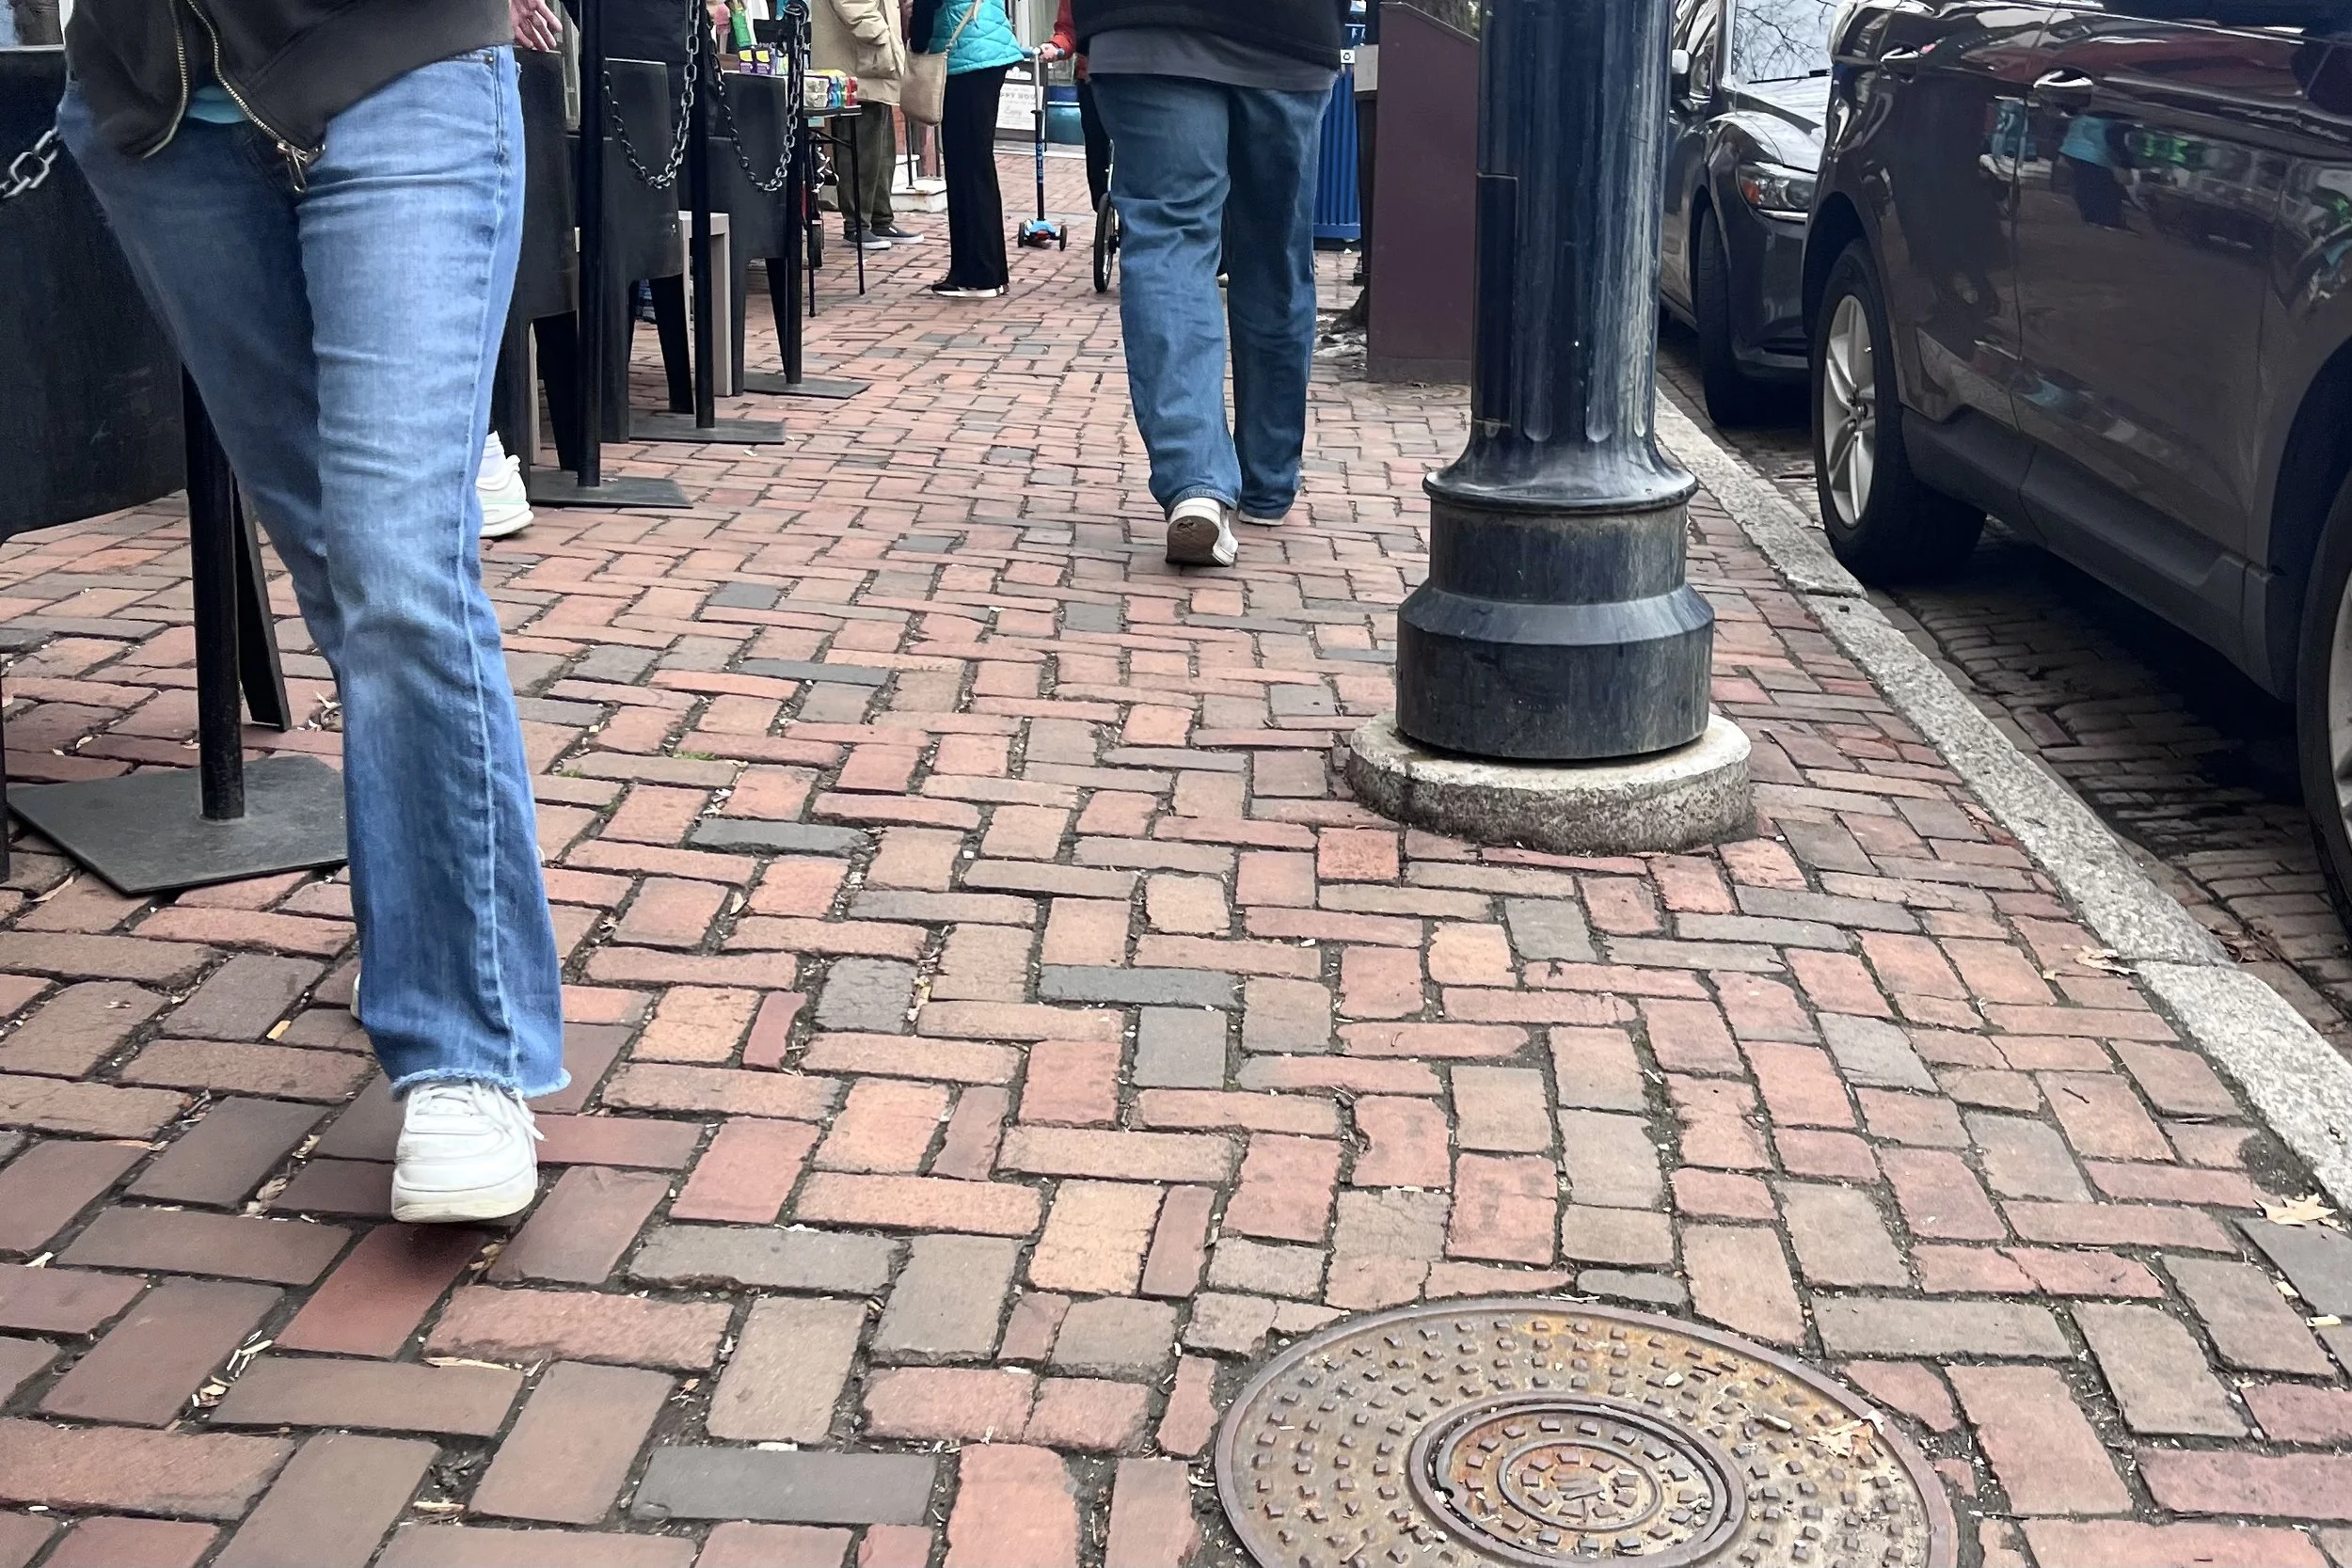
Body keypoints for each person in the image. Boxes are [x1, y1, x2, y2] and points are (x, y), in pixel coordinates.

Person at [59, 0, 569, 1223]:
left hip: (399, 56)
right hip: (159, 101)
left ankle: (464, 1043)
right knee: (349, 582)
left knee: (398, 570)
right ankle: (431, 935)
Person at [1074, 0, 1344, 567]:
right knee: (1274, 257)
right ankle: (1267, 481)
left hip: (1144, 32)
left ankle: (1195, 482)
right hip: (1285, 34)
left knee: (1169, 243)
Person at [910, 0, 1025, 297]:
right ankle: (989, 270)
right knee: (976, 165)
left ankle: (978, 274)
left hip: (966, 57)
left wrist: (918, 44)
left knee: (966, 168)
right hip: (986, 51)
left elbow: (927, 6)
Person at [816, 0, 921, 247]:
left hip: (871, 56)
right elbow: (852, 5)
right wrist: (881, 35)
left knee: (880, 145)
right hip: (858, 55)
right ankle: (857, 225)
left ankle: (879, 219)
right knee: (860, 144)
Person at [1045, 0, 1109, 214]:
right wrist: (1056, 47)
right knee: (1096, 153)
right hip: (1091, 76)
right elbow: (1067, 29)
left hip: (1134, 77)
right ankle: (1103, 215)